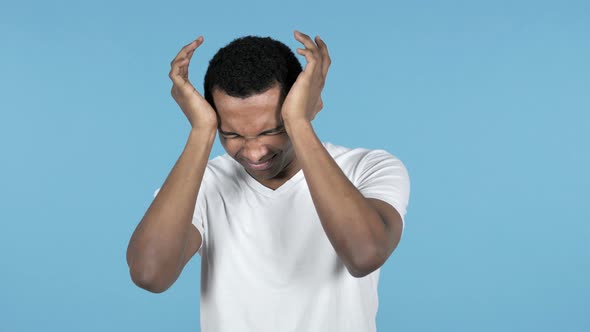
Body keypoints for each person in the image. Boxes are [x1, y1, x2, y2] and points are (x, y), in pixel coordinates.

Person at [126, 30, 410, 332]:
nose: (254, 151)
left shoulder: (367, 168)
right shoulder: (203, 183)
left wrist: (300, 122)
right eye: (232, 134)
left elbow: (365, 254)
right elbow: (150, 274)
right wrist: (202, 132)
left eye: (270, 130)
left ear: (300, 105)